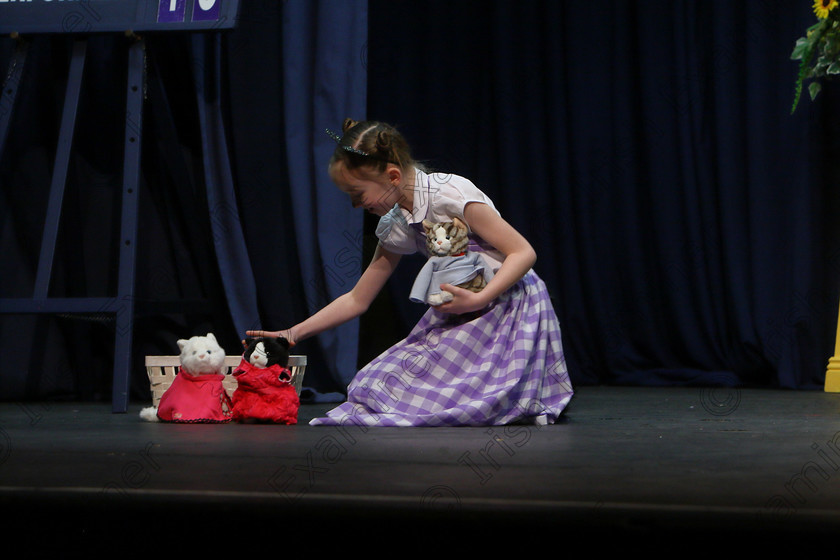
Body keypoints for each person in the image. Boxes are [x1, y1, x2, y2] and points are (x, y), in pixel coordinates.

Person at [247, 119, 573, 427]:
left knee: (456, 403)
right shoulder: (398, 223)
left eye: (358, 195)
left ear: (391, 176)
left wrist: (480, 298)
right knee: (371, 386)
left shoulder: (449, 195)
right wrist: (291, 334)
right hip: (461, 312)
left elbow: (523, 252)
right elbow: (358, 298)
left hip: (506, 306)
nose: (356, 206)